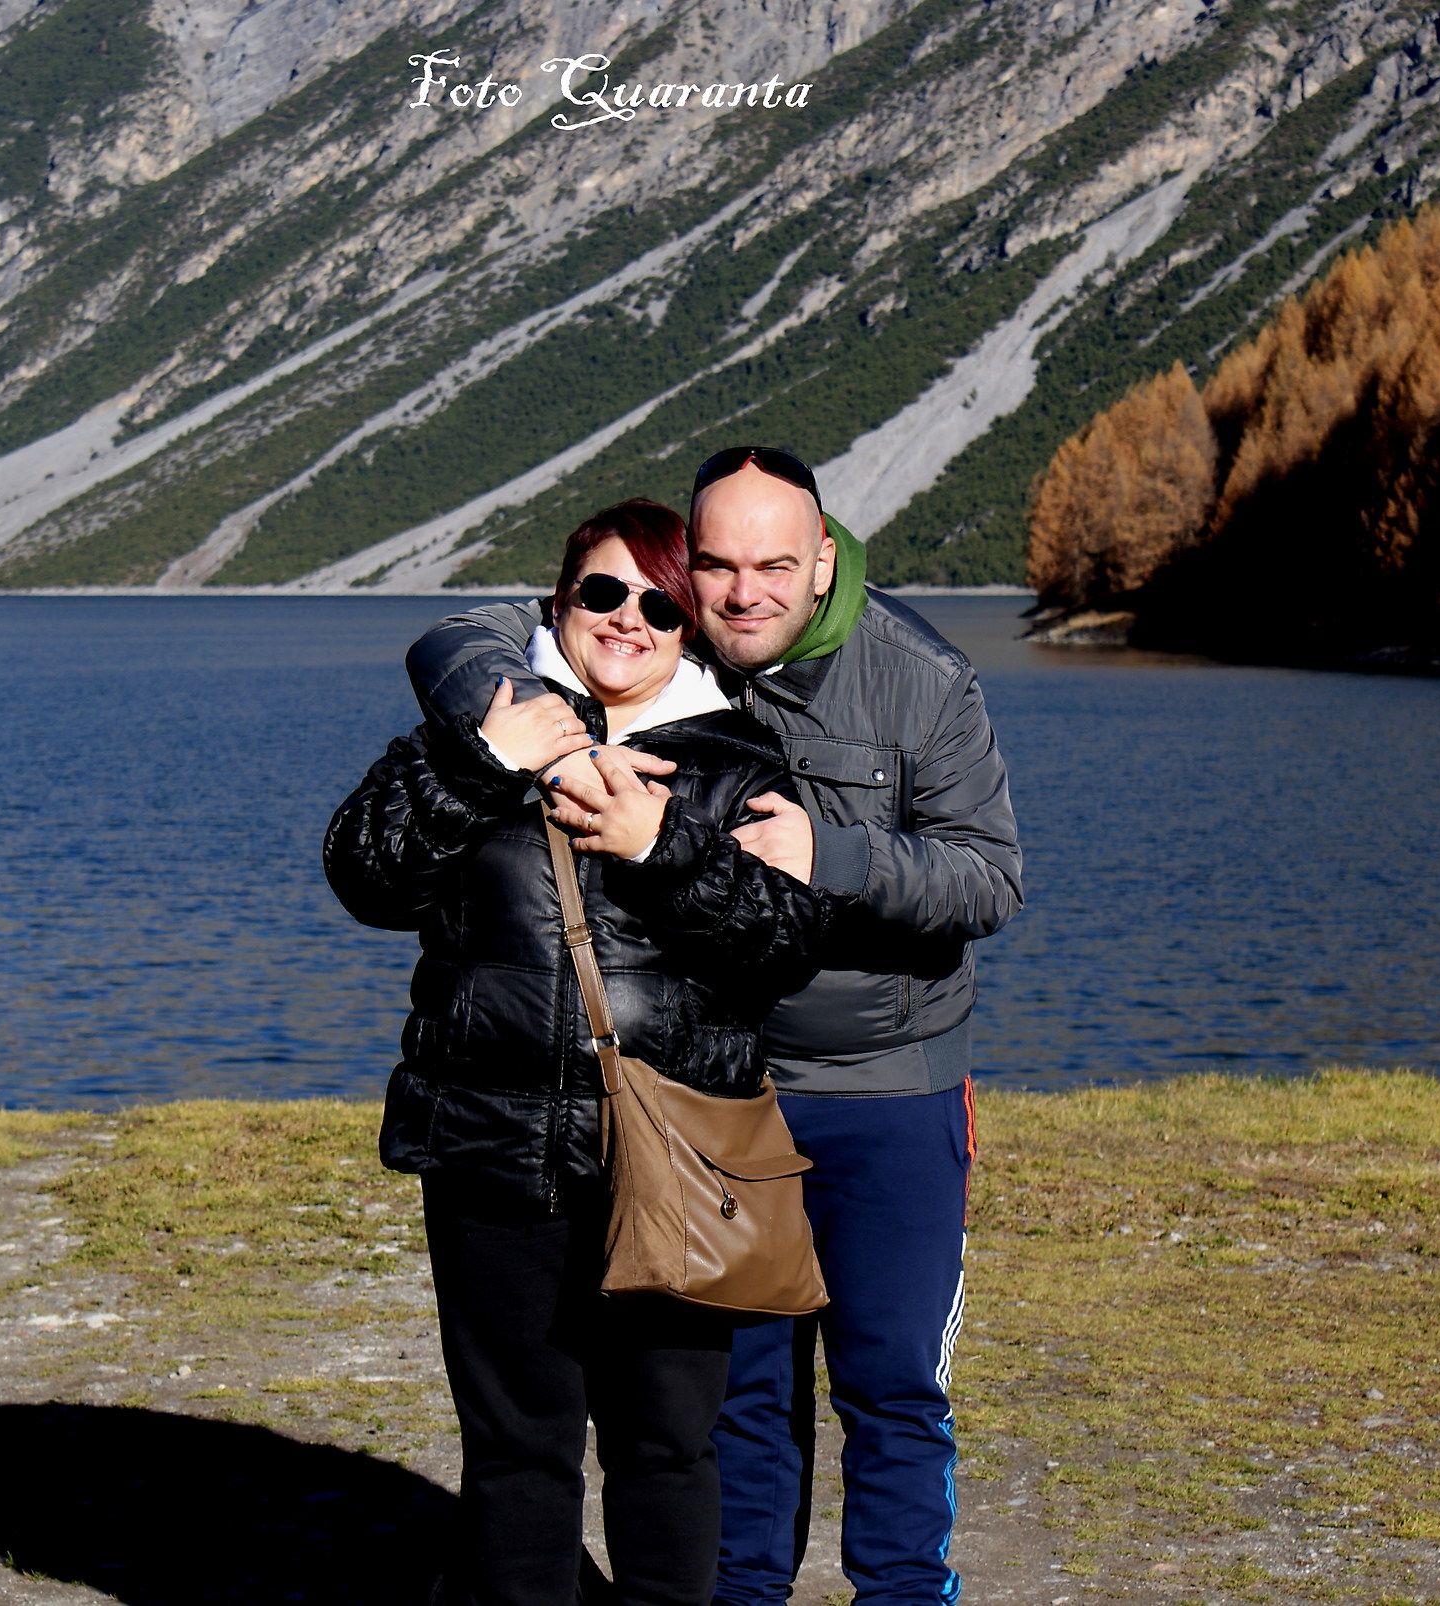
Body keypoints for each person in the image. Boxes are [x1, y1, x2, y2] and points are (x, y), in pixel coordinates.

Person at [405, 449, 1023, 1606]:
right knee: (728, 1404)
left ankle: (899, 1595)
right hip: (714, 1091)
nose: (743, 593)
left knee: (890, 1384)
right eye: (718, 566)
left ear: (824, 557)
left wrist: (830, 857)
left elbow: (989, 879)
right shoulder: (651, 637)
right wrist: (512, 714)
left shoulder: (920, 679)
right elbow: (459, 634)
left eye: (775, 565)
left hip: (884, 1085)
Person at [324, 498, 832, 1606]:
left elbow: (785, 944)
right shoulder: (483, 731)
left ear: (690, 629)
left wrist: (661, 847)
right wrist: (478, 764)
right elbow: (362, 872)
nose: (629, 620)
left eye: (660, 603)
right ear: (560, 601)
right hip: (493, 1159)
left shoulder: (735, 764)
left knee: (665, 1451)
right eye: (603, 592)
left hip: (677, 1162)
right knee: (517, 1454)